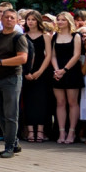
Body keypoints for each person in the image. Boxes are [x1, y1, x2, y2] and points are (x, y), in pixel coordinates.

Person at [0, 7, 30, 158]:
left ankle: (9, 146)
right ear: (1, 19)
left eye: (12, 18)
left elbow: (22, 58)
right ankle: (13, 141)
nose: (9, 20)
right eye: (6, 17)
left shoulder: (19, 37)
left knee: (11, 114)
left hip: (12, 78)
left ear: (16, 21)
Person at [21, 10, 56, 143]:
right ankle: (30, 131)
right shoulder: (23, 36)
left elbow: (48, 55)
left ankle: (40, 131)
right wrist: (26, 73)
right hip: (27, 72)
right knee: (29, 102)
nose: (30, 22)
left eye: (33, 19)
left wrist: (39, 72)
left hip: (42, 72)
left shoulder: (46, 36)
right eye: (28, 19)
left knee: (42, 101)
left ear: (38, 21)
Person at [50, 12, 84, 144]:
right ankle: (61, 131)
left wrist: (64, 70)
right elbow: (52, 55)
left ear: (69, 21)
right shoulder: (55, 36)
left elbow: (76, 55)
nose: (60, 22)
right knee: (60, 102)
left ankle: (72, 131)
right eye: (58, 20)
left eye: (63, 20)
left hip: (71, 71)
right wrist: (57, 70)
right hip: (57, 71)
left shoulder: (76, 36)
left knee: (72, 102)